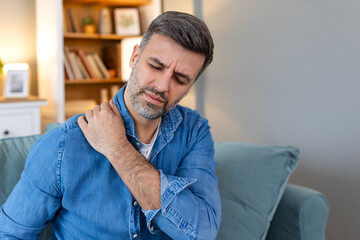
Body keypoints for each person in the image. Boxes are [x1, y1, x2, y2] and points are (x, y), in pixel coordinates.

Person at [0, 11, 221, 239]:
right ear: (135, 57)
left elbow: (201, 233)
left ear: (190, 85)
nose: (163, 86)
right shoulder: (63, 145)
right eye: (155, 66)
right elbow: (10, 234)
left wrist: (117, 149)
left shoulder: (194, 131)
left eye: (180, 79)